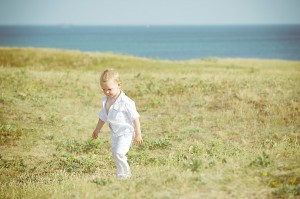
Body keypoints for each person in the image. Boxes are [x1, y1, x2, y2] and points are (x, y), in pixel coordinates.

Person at [92, 68, 143, 179]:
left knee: (119, 153)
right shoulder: (105, 101)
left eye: (109, 89)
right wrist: (97, 130)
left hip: (126, 133)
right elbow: (102, 117)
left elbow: (135, 118)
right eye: (104, 89)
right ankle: (120, 174)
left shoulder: (126, 102)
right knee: (115, 154)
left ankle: (125, 175)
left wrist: (138, 134)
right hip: (115, 133)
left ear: (119, 85)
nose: (107, 92)